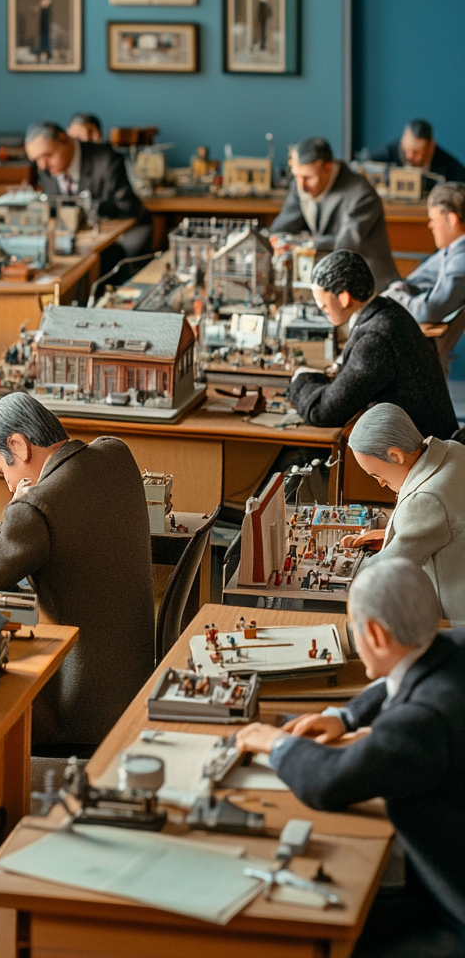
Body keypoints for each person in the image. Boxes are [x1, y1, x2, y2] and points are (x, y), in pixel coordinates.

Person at [236, 558, 465, 958]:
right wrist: (344, 716)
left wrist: (273, 742)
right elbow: (403, 675)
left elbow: (327, 780)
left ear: (375, 634)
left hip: (453, 913)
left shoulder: (417, 724)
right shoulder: (455, 645)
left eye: (354, 630)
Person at [0, 392, 155, 749]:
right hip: (138, 680)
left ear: (18, 446)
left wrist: (12, 507)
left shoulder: (34, 507)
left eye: (2, 470)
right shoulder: (116, 453)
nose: (7, 482)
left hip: (82, 708)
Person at [288, 250, 457, 440]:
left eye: (323, 305)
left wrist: (302, 379)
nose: (322, 310)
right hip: (433, 438)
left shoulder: (375, 338)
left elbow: (323, 412)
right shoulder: (388, 309)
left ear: (344, 298)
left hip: (426, 451)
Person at [341, 404, 465, 625]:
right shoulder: (454, 449)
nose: (380, 482)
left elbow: (385, 570)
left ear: (395, 456)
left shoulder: (426, 499)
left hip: (455, 623)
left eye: (376, 473)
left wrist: (343, 566)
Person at [25, 120, 153, 278]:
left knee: (105, 260)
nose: (42, 165)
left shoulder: (106, 159)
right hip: (79, 239)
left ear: (64, 139)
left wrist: (89, 208)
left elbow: (127, 206)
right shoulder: (46, 171)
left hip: (128, 230)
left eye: (47, 155)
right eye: (37, 160)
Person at [271, 137, 399, 292]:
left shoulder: (361, 194)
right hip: (328, 281)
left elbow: (344, 244)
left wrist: (299, 242)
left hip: (369, 286)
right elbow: (281, 228)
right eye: (296, 176)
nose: (301, 186)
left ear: (328, 168)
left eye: (308, 178)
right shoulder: (300, 185)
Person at [384, 182, 465, 323]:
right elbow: (419, 279)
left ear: (452, 220)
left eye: (433, 219)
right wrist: (402, 289)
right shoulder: (453, 249)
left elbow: (427, 311)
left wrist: (397, 297)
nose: (430, 225)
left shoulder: (460, 261)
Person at [370, 119, 465, 188]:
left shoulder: (448, 165)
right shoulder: (387, 153)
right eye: (406, 150)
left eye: (416, 152)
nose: (409, 156)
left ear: (430, 147)